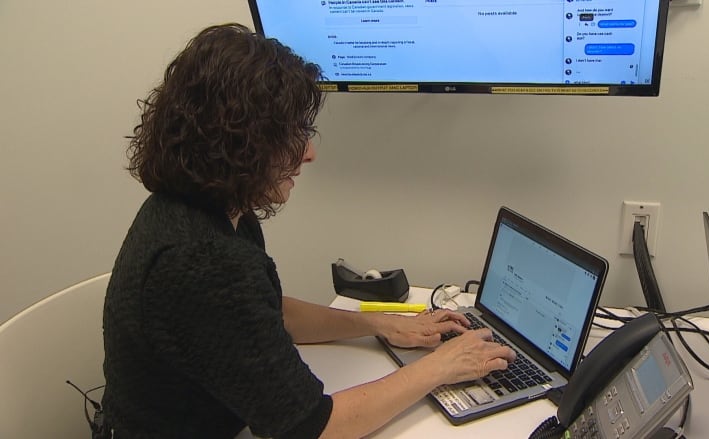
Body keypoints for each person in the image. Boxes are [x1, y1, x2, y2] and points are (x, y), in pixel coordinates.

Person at [101, 23, 515, 439]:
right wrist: (440, 368)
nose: (309, 153)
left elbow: (270, 312)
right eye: (291, 135)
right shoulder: (203, 261)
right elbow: (313, 428)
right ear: (238, 143)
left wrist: (380, 323)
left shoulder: (204, 210)